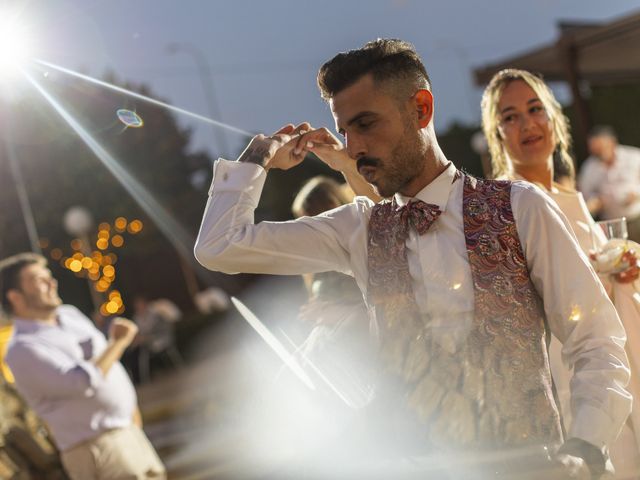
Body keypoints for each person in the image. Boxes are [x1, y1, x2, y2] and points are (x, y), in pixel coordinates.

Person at [194, 39, 630, 478]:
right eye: (345, 131)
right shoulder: (357, 229)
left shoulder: (521, 207)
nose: (355, 146)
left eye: (365, 123)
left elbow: (596, 339)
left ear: (421, 109)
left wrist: (585, 446)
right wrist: (257, 159)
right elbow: (219, 247)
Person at [480, 68, 640, 478]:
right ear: (498, 135)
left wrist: (622, 271)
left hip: (615, 362)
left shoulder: (572, 197)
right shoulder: (501, 208)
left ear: (554, 118)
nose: (527, 123)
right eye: (510, 117)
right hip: (566, 375)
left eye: (535, 109)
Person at [0, 253, 166, 480]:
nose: (52, 283)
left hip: (128, 433)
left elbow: (108, 369)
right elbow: (82, 383)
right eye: (39, 280)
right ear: (16, 297)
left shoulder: (70, 315)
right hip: (97, 448)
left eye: (49, 277)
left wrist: (130, 414)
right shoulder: (22, 350)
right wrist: (118, 342)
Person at [579, 126, 640, 242]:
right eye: (595, 151)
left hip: (636, 219)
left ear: (612, 142)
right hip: (611, 225)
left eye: (601, 148)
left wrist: (636, 193)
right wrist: (595, 201)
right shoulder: (588, 168)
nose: (599, 154)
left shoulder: (634, 157)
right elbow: (586, 194)